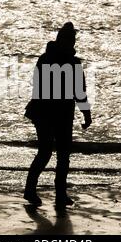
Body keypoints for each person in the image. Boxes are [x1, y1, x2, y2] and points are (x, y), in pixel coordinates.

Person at [24, 22, 92, 207]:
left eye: (73, 39)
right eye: (71, 39)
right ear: (64, 40)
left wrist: (86, 114)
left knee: (49, 153)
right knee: (56, 154)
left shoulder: (45, 58)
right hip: (55, 114)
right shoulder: (70, 63)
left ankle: (37, 191)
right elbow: (80, 91)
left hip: (45, 113)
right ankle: (50, 193)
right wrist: (86, 115)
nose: (73, 43)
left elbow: (39, 87)